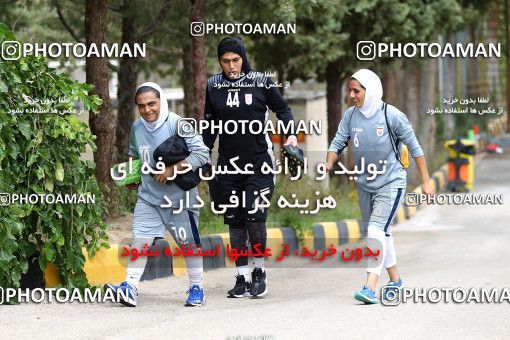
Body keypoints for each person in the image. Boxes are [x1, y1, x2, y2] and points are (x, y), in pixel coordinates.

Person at [325, 69, 434, 304]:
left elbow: (415, 148)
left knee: (375, 230)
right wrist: (329, 162)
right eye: (350, 91)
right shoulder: (351, 115)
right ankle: (396, 281)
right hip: (365, 184)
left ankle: (370, 287)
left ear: (370, 91)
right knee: (381, 232)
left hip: (391, 183)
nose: (352, 95)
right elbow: (339, 140)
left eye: (357, 91)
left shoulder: (391, 115)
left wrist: (426, 181)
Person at [202, 37, 298, 298]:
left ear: (243, 58)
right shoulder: (213, 86)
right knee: (235, 223)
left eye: (236, 60)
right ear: (219, 61)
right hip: (228, 166)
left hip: (259, 164)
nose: (231, 66)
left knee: (255, 218)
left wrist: (290, 135)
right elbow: (209, 125)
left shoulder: (261, 82)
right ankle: (242, 277)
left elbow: (283, 110)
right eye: (225, 61)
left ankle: (259, 272)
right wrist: (203, 157)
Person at [105, 82, 210, 307]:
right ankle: (130, 287)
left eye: (151, 104)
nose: (147, 110)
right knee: (140, 240)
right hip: (149, 197)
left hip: (179, 199)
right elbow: (134, 153)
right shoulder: (137, 127)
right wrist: (133, 177)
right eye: (141, 106)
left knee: (189, 245)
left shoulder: (178, 124)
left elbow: (202, 155)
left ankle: (196, 288)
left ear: (161, 101)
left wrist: (172, 169)